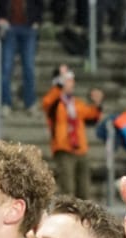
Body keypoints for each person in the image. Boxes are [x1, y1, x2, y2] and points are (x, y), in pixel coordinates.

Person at [43, 67, 104, 198]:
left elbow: (92, 116)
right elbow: (48, 101)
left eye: (71, 80)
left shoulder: (76, 103)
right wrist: (59, 84)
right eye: (67, 79)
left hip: (80, 149)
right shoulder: (54, 102)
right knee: (67, 188)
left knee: (84, 189)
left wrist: (97, 103)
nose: (71, 83)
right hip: (63, 148)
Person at [0, 0, 42, 110]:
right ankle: (5, 102)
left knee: (29, 68)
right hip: (9, 28)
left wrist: (37, 21)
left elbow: (39, 5)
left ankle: (30, 102)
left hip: (28, 28)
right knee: (6, 67)